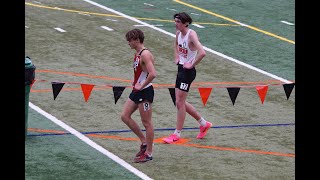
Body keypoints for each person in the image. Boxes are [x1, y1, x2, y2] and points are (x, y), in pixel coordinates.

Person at [162, 12, 213, 144]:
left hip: (188, 72)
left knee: (179, 102)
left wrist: (192, 64)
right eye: (175, 21)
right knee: (179, 102)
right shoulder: (178, 33)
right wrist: (176, 56)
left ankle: (177, 134)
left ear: (185, 23)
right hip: (180, 70)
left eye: (178, 22)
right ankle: (203, 123)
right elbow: (176, 44)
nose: (175, 24)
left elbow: (202, 53)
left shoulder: (191, 35)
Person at [121, 29, 157, 163]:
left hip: (144, 92)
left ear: (136, 39)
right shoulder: (137, 53)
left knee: (147, 123)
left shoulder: (145, 54)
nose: (128, 43)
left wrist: (141, 85)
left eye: (130, 40)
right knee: (124, 116)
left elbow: (153, 73)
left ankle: (149, 152)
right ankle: (144, 142)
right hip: (137, 90)